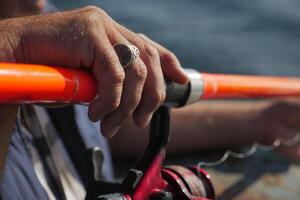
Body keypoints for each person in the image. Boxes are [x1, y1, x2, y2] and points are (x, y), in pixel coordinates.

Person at [0, 0, 299, 199]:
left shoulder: (34, 14)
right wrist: (13, 45)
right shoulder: (21, 32)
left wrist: (264, 119)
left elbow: (106, 122)